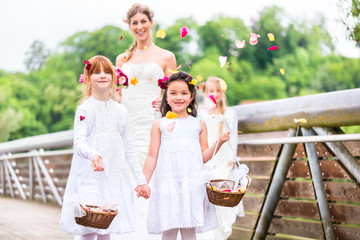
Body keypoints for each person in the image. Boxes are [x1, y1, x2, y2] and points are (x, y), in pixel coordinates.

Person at [60, 55, 150, 240]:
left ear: (113, 77)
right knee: (90, 225)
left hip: (113, 174)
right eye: (97, 72)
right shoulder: (85, 109)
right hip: (90, 175)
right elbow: (79, 142)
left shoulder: (121, 111)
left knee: (106, 225)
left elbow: (129, 148)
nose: (103, 75)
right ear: (88, 78)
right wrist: (92, 154)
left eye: (107, 72)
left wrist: (141, 181)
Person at [142, 71, 230, 240]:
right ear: (166, 97)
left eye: (184, 93)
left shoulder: (198, 125)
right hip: (169, 184)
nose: (178, 97)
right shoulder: (160, 125)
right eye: (173, 93)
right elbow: (152, 156)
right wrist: (143, 182)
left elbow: (202, 156)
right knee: (169, 229)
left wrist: (219, 143)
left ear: (191, 97)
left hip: (191, 185)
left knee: (189, 231)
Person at [115, 3, 177, 167]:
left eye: (143, 21)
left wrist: (166, 103)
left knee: (150, 164)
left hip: (152, 118)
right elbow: (117, 95)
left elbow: (176, 92)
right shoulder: (122, 60)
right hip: (127, 119)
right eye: (134, 23)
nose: (139, 26)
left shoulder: (166, 57)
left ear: (151, 23)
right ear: (129, 26)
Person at [198, 76, 245, 240]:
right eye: (211, 91)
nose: (215, 94)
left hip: (224, 158)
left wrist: (232, 158)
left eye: (218, 91)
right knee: (209, 192)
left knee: (223, 190)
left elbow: (233, 138)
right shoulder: (201, 113)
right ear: (204, 93)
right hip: (209, 156)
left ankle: (221, 231)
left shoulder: (230, 113)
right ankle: (209, 233)